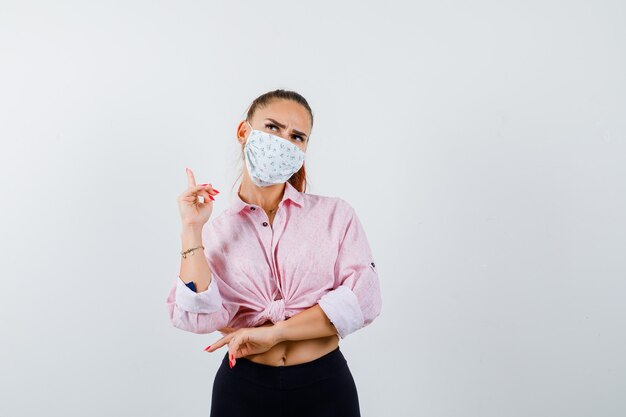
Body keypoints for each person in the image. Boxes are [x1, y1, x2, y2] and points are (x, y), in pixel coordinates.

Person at [166, 89, 382, 417]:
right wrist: (191, 229)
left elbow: (362, 298)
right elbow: (197, 313)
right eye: (272, 127)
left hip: (325, 386)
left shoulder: (335, 216)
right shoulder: (217, 231)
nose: (283, 141)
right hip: (243, 389)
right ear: (244, 132)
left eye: (297, 136)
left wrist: (275, 333)